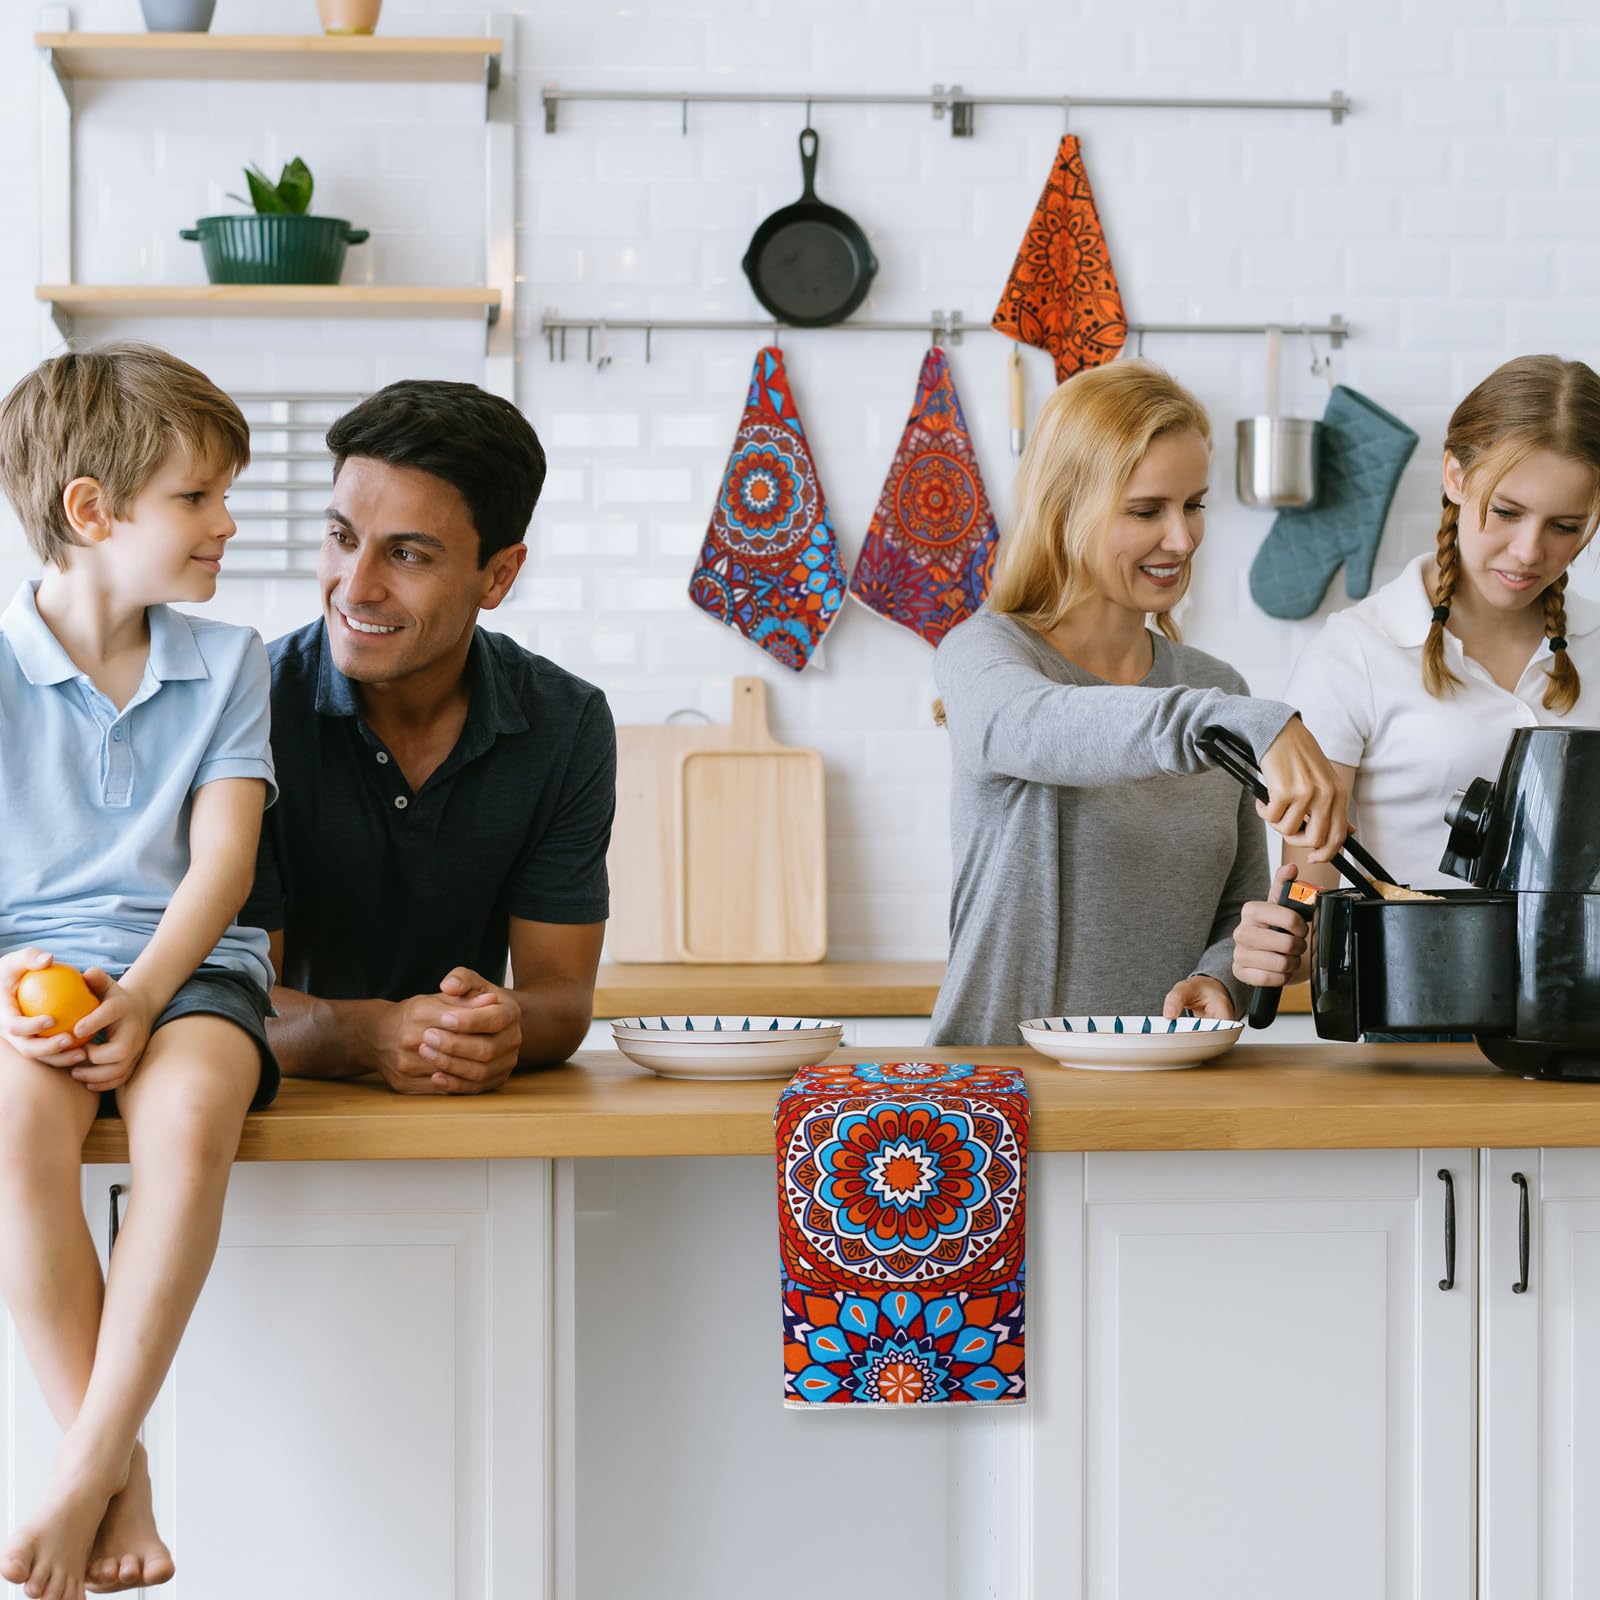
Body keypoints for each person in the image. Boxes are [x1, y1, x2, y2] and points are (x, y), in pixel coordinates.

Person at [0, 342, 277, 1598]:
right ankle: (121, 1475)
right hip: (29, 972)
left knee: (193, 1110)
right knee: (15, 1129)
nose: (228, 522)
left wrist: (149, 994)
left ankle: (81, 1465)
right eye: (198, 497)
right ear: (93, 511)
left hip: (192, 964)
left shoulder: (232, 661)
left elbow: (220, 865)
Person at [928, 360, 1347, 1048]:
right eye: (1147, 510)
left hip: (1170, 1094)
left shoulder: (1216, 686)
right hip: (1002, 1095)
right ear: (1066, 510)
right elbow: (1040, 727)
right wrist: (1250, 722)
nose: (1182, 540)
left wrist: (1221, 979)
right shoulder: (986, 654)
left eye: (1194, 505)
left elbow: (1237, 911)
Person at [240, 380, 615, 1093]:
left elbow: (562, 998)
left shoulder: (567, 723)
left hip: (476, 1128)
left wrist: (500, 1023)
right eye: (342, 538)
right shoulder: (246, 706)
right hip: (281, 1128)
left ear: (498, 575)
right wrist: (371, 1034)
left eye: (407, 555)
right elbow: (231, 1000)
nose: (355, 587)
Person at [1234, 355, 1600, 1007]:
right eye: (1508, 511)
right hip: (1405, 1032)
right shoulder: (1356, 653)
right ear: (1455, 475)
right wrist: (1286, 945)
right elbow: (1313, 896)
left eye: (1565, 527)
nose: (1528, 551)